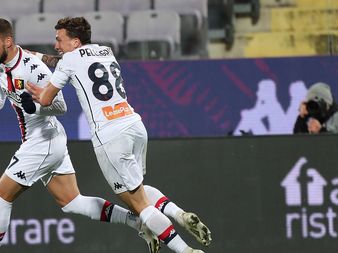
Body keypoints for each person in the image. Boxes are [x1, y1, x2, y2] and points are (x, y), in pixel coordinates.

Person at [0, 18, 162, 253]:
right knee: (72, 202)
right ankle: (139, 222)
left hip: (43, 140)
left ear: (8, 41)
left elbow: (61, 106)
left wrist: (37, 107)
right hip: (45, 141)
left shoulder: (33, 67)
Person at [26, 17, 212, 253]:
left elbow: (46, 99)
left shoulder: (69, 60)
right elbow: (66, 61)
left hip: (110, 135)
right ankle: (178, 213)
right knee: (139, 189)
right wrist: (39, 57)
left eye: (59, 40)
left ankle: (185, 251)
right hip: (134, 125)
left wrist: (36, 93)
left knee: (139, 205)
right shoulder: (105, 50)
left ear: (74, 41)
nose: (56, 45)